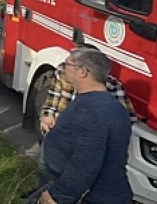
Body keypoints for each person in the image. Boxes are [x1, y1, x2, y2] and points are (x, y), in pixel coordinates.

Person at [32, 48, 133, 204]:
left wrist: (58, 196)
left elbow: (85, 163)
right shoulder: (104, 104)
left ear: (83, 72)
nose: (63, 68)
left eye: (67, 64)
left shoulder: (93, 111)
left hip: (93, 198)